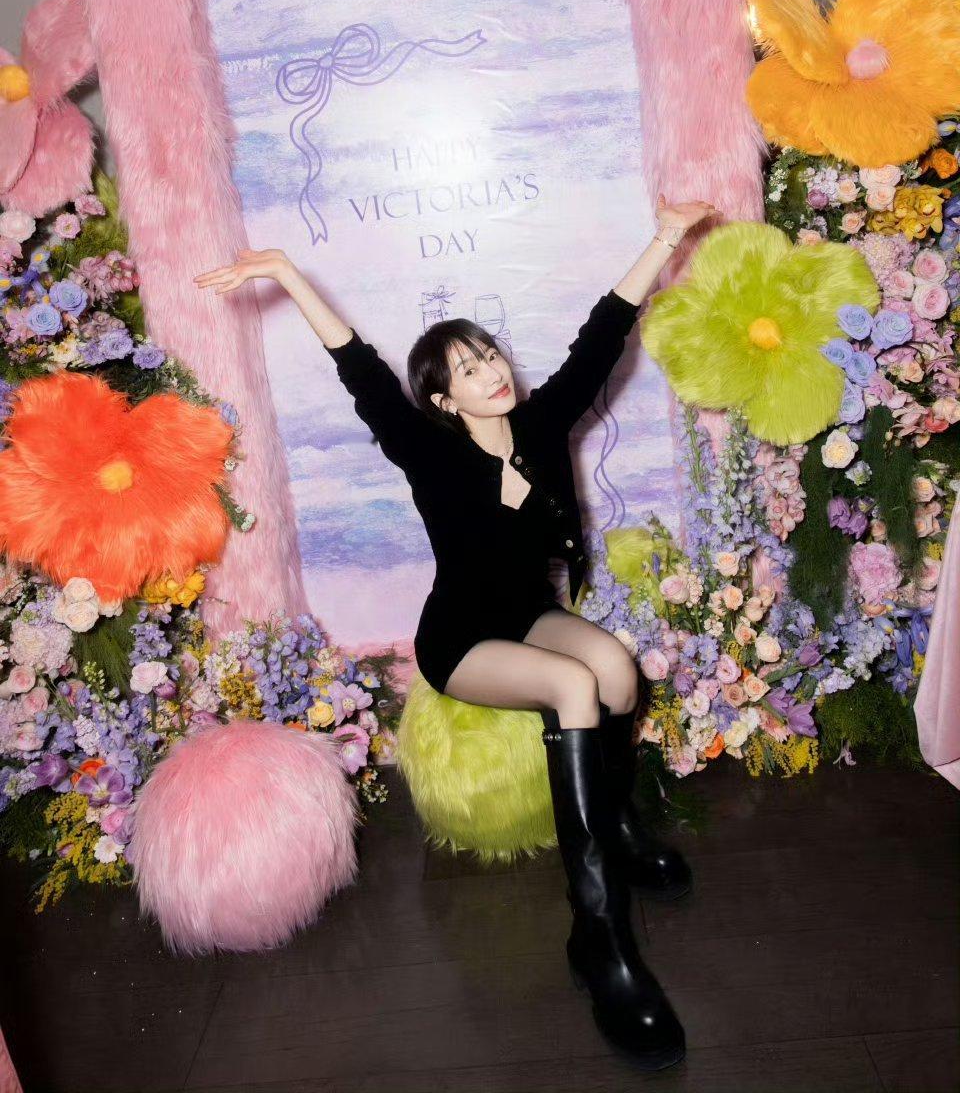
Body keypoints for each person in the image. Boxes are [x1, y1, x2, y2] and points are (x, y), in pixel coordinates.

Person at [194, 192, 715, 1069]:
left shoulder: (542, 423)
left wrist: (667, 236)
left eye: (489, 354)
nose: (490, 372)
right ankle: (599, 936)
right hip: (462, 639)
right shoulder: (427, 450)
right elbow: (358, 368)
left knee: (619, 676)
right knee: (574, 685)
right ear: (442, 396)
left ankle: (618, 828)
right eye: (467, 369)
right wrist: (285, 272)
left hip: (530, 616)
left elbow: (604, 331)